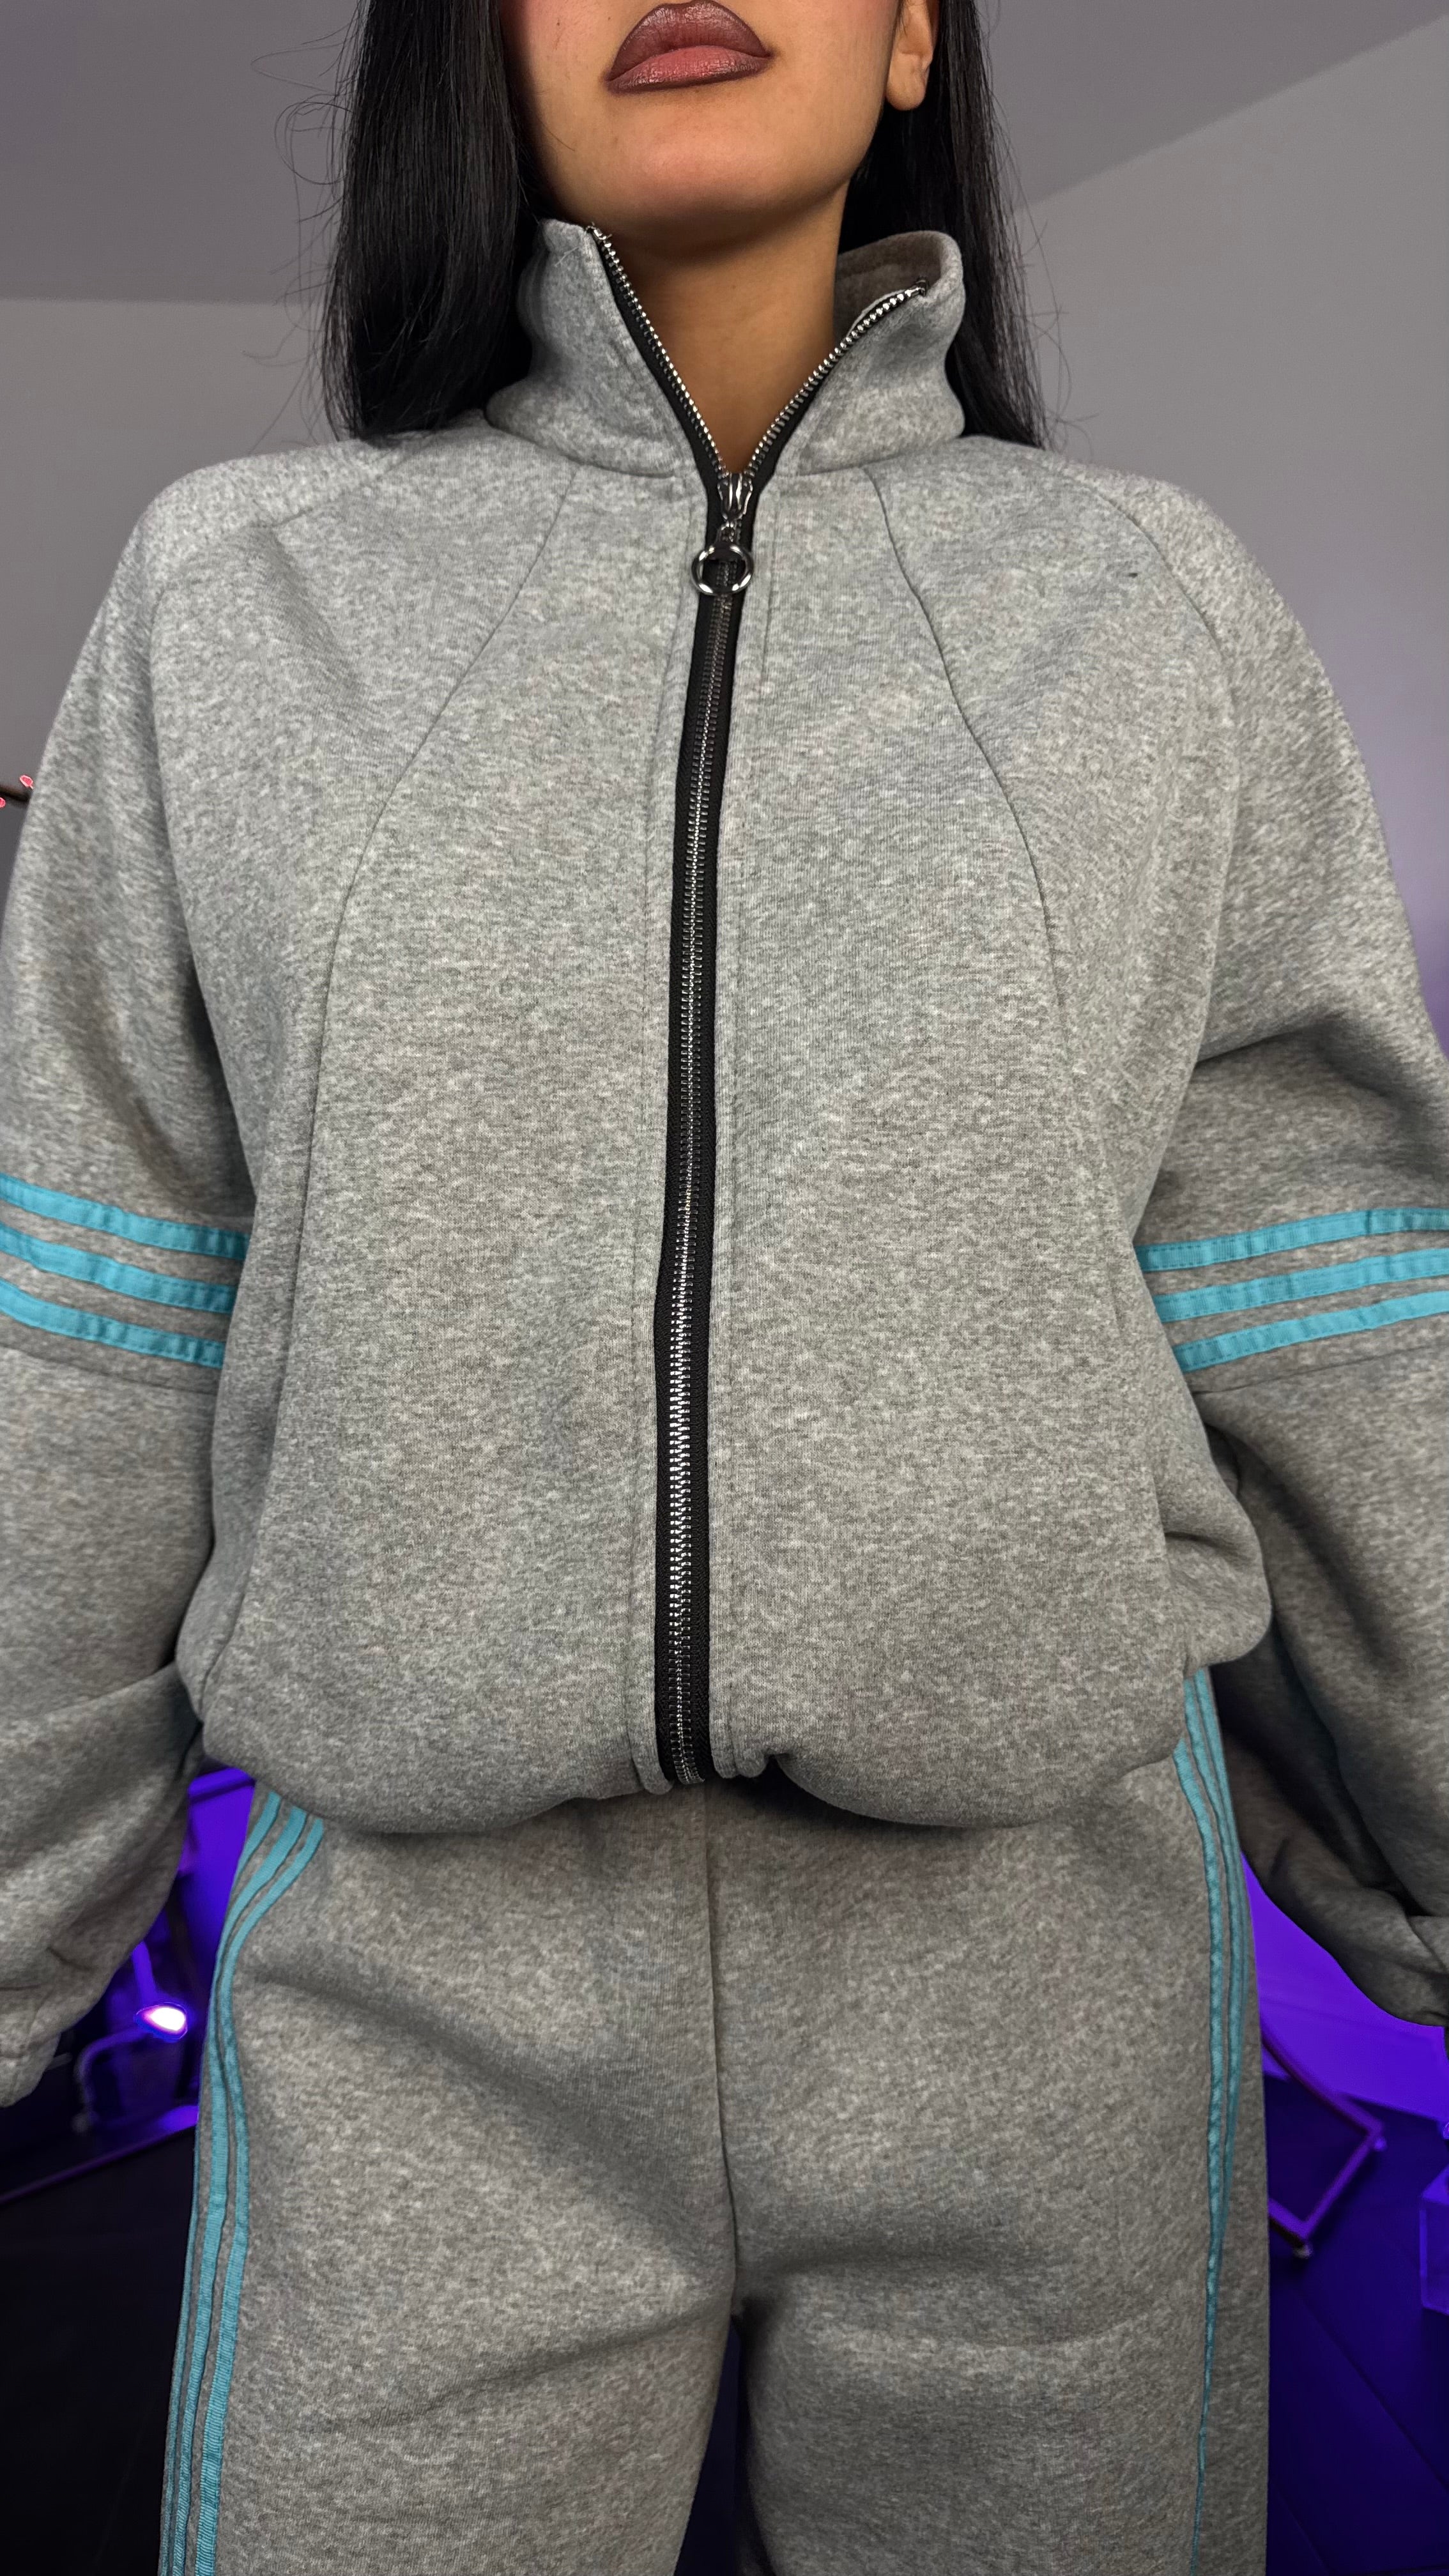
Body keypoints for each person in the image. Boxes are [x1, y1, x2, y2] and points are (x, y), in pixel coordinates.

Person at [1, 1, 1446, 2569]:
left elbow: (1318, 1283)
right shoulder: (239, 599)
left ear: (910, 36)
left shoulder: (1148, 612)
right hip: (420, 2027)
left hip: (1039, 2010)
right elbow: (95, 1306)